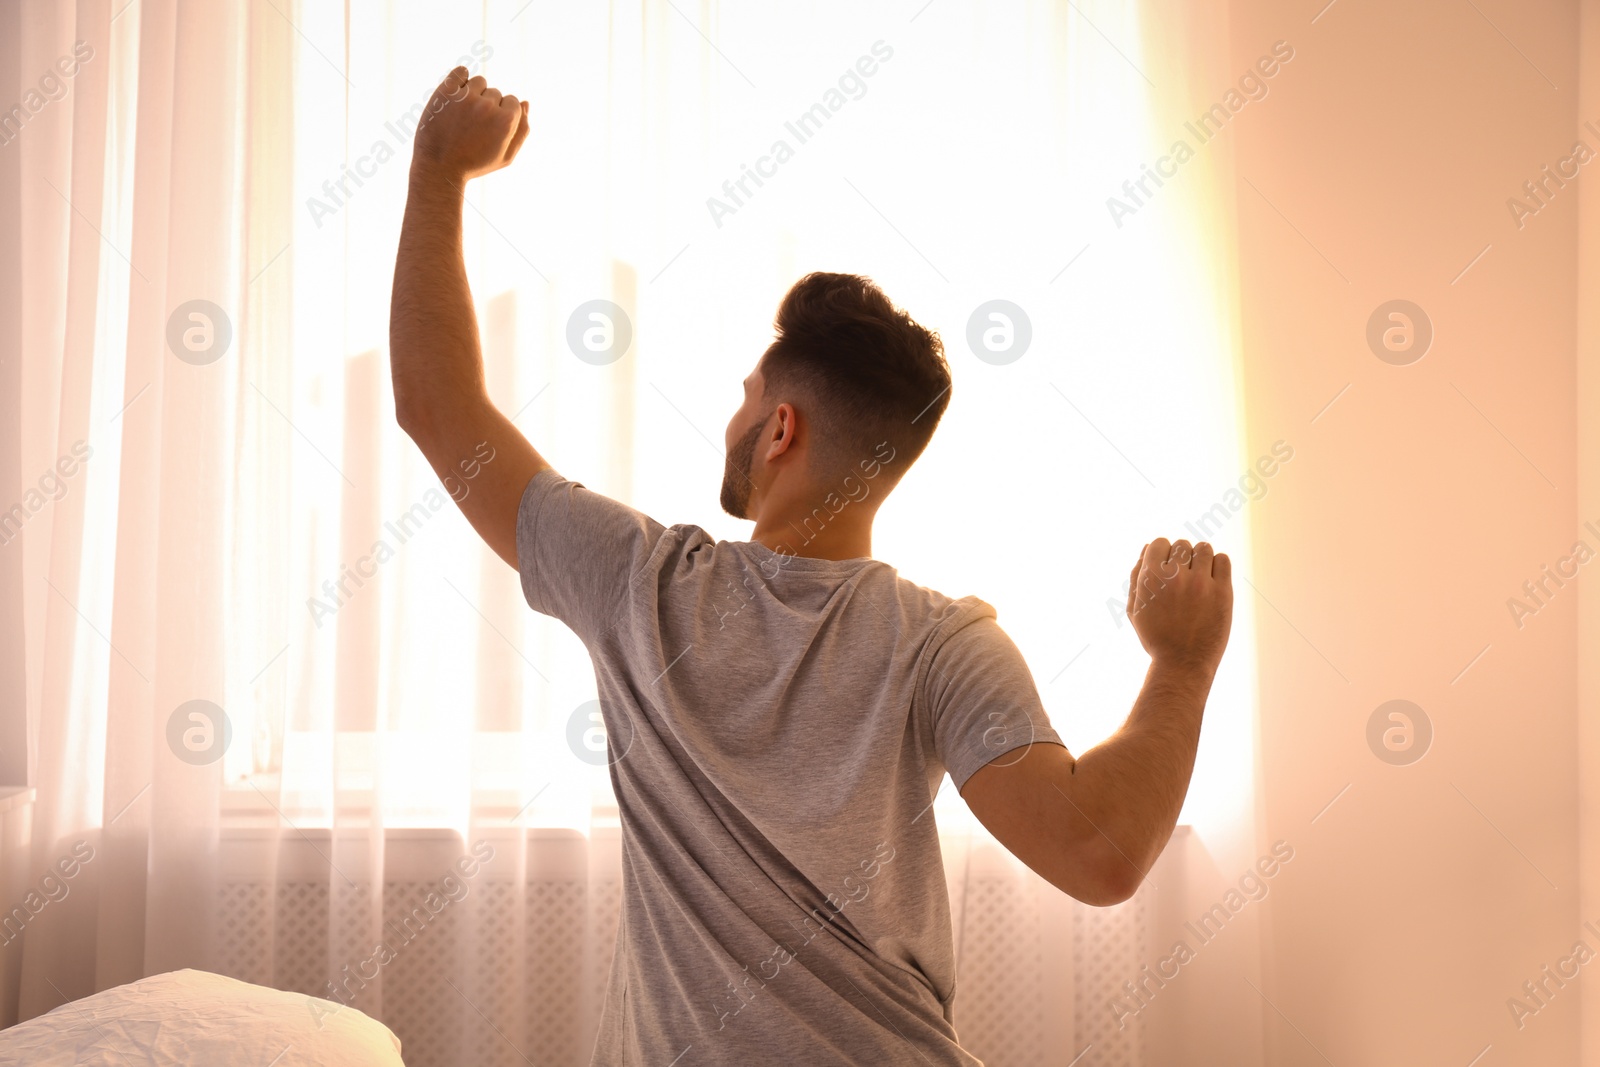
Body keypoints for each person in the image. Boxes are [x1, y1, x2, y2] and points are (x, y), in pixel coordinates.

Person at [390, 66, 1234, 1067]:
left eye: (747, 395)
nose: (735, 413)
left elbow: (437, 409)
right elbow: (1098, 851)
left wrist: (438, 170)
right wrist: (1180, 663)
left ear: (780, 428)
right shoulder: (947, 643)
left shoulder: (640, 583)